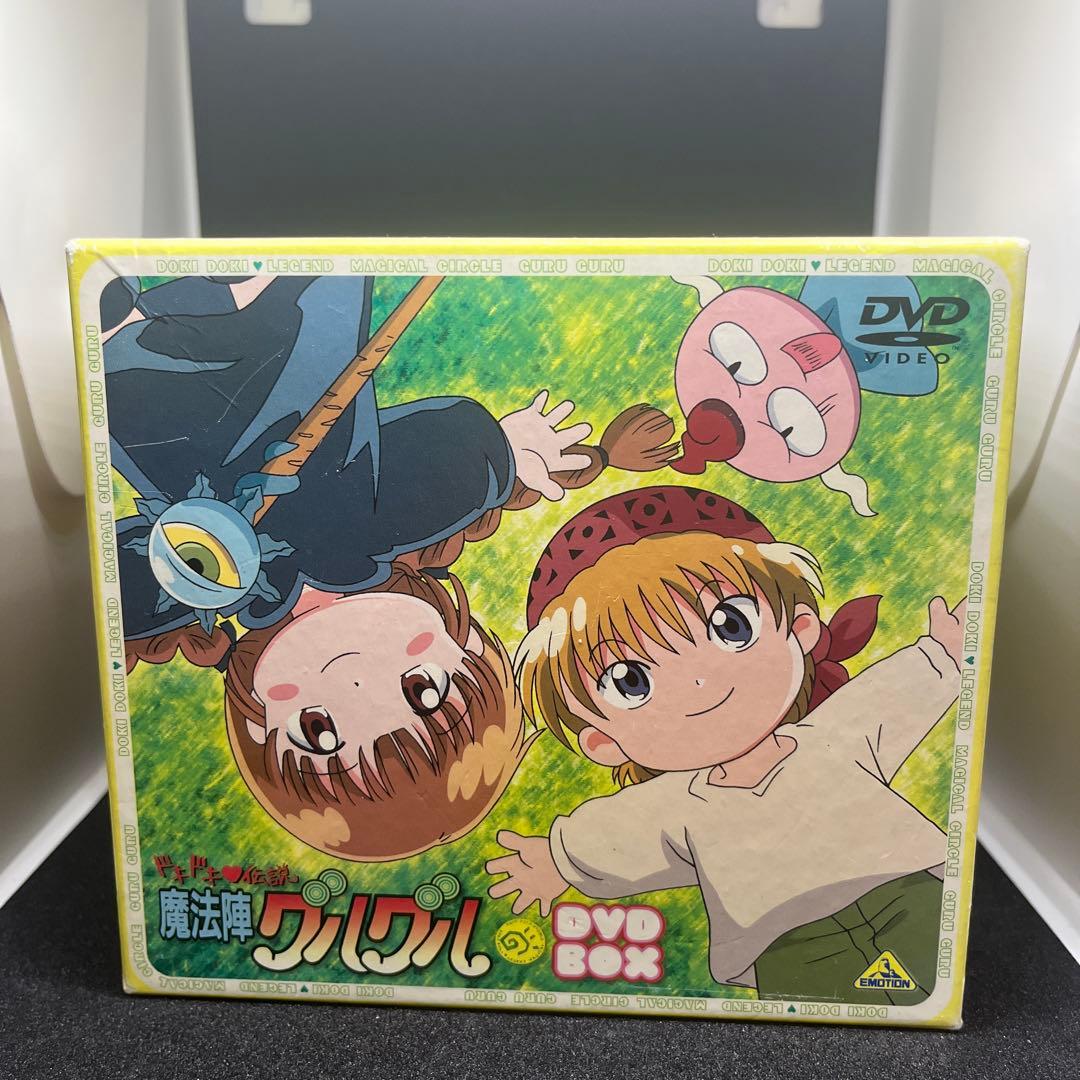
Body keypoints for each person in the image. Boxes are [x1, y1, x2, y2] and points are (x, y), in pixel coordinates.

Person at [488, 485, 962, 1003]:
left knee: (931, 990)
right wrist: (555, 860)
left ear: (801, 628)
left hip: (903, 887)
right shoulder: (674, 806)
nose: (699, 681)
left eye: (730, 626)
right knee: (827, 1027)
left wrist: (942, 654)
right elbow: (609, 833)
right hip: (788, 943)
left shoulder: (833, 736)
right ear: (603, 741)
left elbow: (888, 696)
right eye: (631, 681)